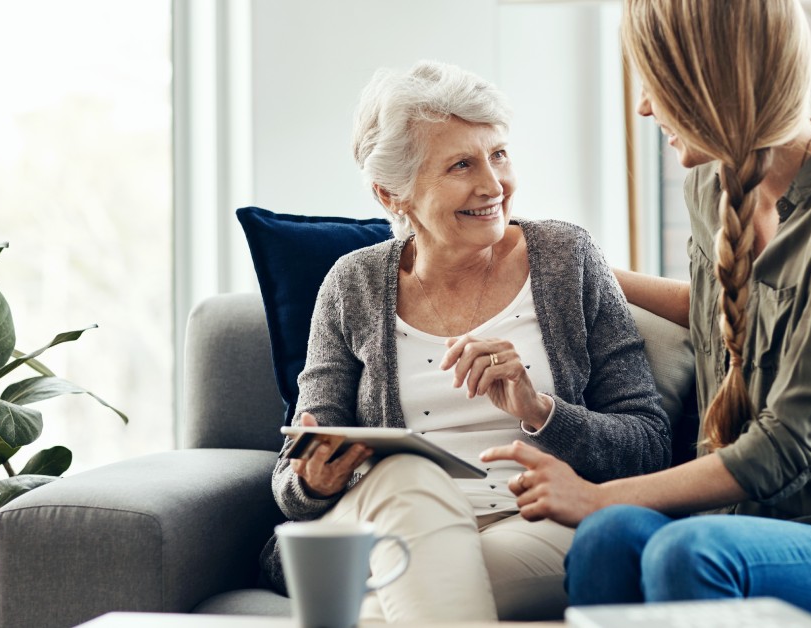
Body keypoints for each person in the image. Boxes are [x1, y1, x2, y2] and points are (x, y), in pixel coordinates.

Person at [481, 0, 811, 619]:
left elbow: (785, 448)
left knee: (683, 551)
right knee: (608, 540)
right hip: (728, 523)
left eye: (657, 85)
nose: (644, 107)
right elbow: (724, 309)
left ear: (714, 82)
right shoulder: (709, 182)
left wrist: (597, 494)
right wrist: (593, 274)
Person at [258, 60, 670, 623]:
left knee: (394, 601)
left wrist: (541, 410)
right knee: (406, 476)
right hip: (385, 520)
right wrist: (314, 478)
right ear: (391, 193)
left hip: (529, 525)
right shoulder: (351, 285)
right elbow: (293, 472)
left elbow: (649, 444)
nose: (493, 184)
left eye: (498, 154)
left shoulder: (567, 258)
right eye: (461, 165)